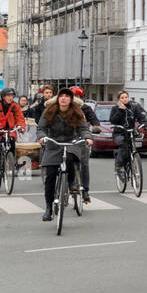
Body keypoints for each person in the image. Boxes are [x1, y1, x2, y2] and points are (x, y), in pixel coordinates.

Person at [35, 88, 93, 220]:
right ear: (58, 98)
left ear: (71, 99)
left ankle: (72, 183)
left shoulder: (77, 112)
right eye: (61, 96)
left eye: (67, 96)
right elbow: (41, 128)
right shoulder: (49, 110)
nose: (64, 98)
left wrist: (87, 137)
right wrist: (42, 137)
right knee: (50, 176)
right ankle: (49, 208)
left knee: (70, 159)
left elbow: (83, 128)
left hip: (71, 143)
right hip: (53, 144)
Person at [110, 91, 147, 177]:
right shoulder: (115, 108)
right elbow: (113, 120)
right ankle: (118, 167)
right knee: (123, 146)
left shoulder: (133, 107)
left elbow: (140, 116)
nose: (124, 99)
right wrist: (120, 111)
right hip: (119, 133)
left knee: (132, 149)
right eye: (122, 98)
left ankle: (132, 162)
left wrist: (144, 123)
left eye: (126, 97)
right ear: (119, 99)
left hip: (130, 132)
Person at [69, 86, 99, 203]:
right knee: (66, 162)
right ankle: (68, 185)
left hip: (82, 138)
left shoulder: (85, 108)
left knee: (84, 164)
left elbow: (94, 119)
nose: (75, 99)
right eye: (73, 96)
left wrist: (96, 126)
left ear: (81, 98)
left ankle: (85, 190)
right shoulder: (65, 108)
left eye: (78, 96)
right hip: (69, 138)